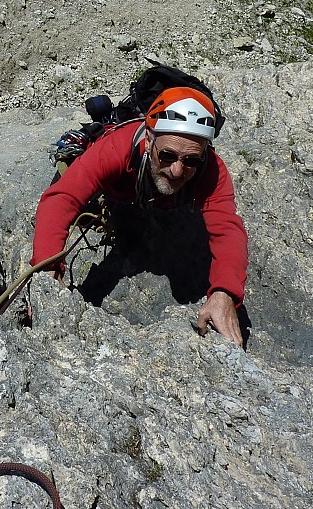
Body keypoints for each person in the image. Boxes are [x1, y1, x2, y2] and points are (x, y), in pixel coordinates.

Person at [31, 86, 249, 345]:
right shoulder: (117, 148)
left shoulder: (212, 170)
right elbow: (62, 198)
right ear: (148, 139)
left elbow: (227, 229)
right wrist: (47, 267)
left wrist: (225, 293)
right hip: (118, 189)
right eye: (168, 155)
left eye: (191, 160)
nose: (178, 170)